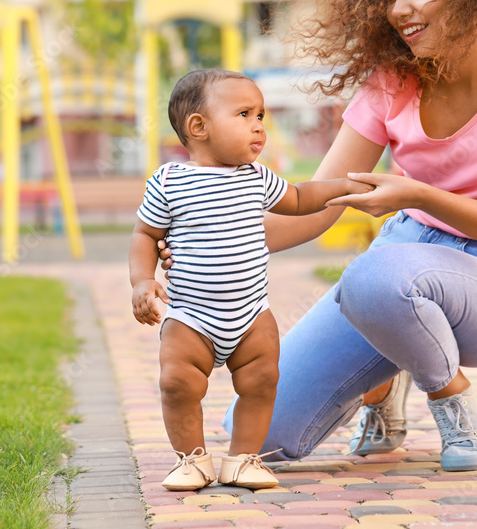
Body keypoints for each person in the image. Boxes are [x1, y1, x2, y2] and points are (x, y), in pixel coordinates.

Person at [158, 0, 477, 472]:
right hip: (400, 265)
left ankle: (454, 401)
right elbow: (317, 205)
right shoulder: (393, 80)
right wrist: (208, 235)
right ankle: (386, 382)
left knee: (373, 278)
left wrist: (418, 194)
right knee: (260, 436)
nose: (399, 8)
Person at [130, 69, 374, 491]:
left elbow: (299, 199)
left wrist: (344, 188)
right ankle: (192, 459)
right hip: (191, 315)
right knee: (177, 382)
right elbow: (146, 235)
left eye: (261, 114)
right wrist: (141, 281)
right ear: (198, 127)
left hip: (251, 315)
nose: (259, 125)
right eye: (244, 114)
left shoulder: (257, 178)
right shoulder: (170, 182)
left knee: (263, 381)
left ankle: (244, 459)